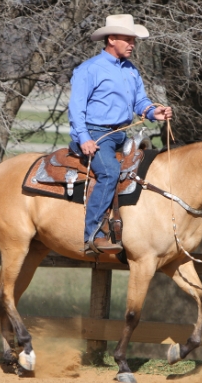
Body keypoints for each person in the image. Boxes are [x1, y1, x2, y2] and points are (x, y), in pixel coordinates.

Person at [68, 14, 173, 254]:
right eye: (127, 39)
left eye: (133, 40)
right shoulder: (89, 69)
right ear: (112, 38)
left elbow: (140, 101)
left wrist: (153, 111)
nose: (132, 44)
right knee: (109, 172)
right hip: (96, 134)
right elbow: (76, 108)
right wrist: (84, 138)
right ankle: (92, 234)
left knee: (147, 168)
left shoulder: (130, 70)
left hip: (121, 135)